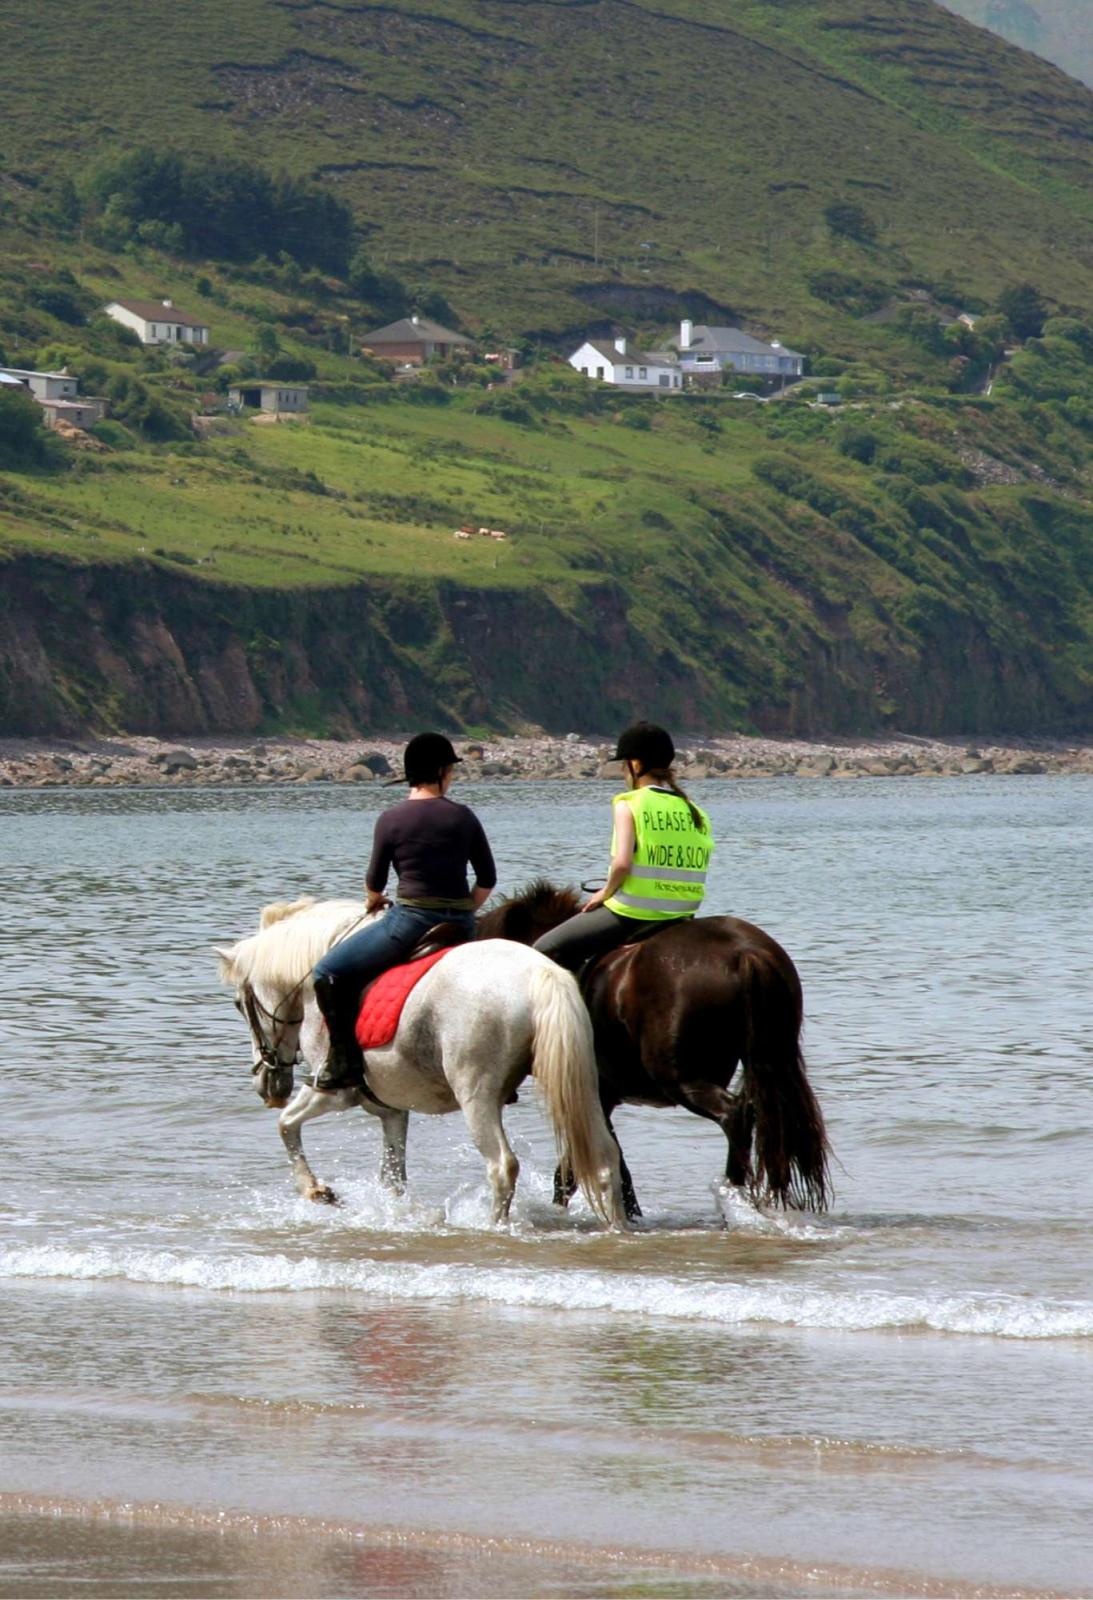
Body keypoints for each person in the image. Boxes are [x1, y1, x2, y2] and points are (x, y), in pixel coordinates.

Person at [312, 732, 497, 1092]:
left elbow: (375, 883)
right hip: (461, 923)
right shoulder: (464, 816)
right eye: (451, 771)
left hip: (410, 923)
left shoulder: (391, 819)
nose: (453, 777)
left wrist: (373, 901)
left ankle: (343, 1061)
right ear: (442, 771)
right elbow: (487, 879)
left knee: (326, 971)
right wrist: (461, 912)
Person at [533, 722, 713, 973]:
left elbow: (622, 864)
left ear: (636, 765)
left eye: (624, 765)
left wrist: (605, 892)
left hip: (634, 913)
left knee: (543, 949)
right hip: (683, 913)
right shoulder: (697, 812)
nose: (623, 773)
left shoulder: (629, 803)